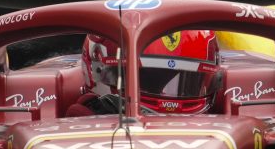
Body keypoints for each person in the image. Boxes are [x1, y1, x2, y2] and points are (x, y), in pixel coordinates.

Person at [76, 26, 222, 116]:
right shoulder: (79, 119)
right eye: (146, 80)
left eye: (189, 83)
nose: (168, 98)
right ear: (98, 70)